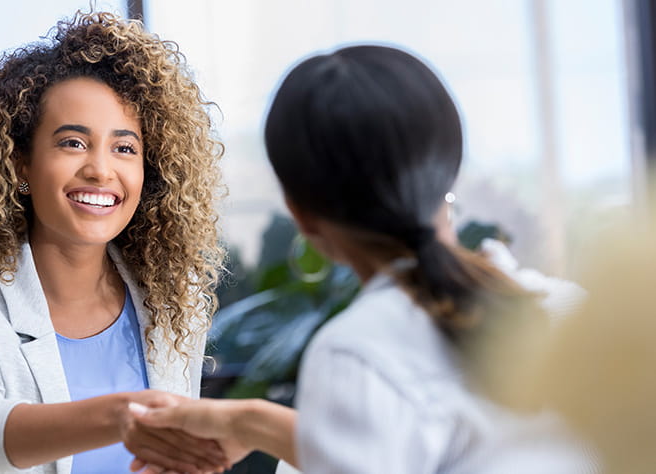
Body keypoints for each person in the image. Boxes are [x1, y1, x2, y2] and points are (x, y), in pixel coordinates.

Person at [128, 45, 592, 473]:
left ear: (300, 214)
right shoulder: (571, 312)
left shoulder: (358, 354)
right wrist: (254, 424)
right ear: (448, 167)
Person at [0, 11, 229, 474]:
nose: (101, 170)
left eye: (124, 148)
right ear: (20, 164)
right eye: (74, 143)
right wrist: (123, 416)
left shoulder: (175, 302)